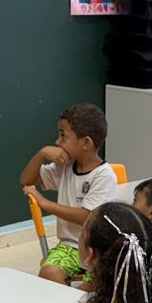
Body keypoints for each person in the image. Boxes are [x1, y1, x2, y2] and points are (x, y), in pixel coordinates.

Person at [23, 103, 119, 285]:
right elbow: (27, 179)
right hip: (69, 247)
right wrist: (42, 153)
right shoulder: (65, 167)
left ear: (85, 143)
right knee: (49, 274)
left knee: (95, 285)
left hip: (99, 249)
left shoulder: (104, 175)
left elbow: (88, 217)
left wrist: (45, 204)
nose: (58, 142)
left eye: (63, 136)